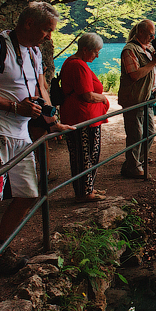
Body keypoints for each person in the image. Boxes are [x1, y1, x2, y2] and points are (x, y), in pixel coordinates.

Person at [0, 2, 73, 274]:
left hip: (21, 133)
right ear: (28, 24)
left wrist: (51, 122)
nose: (50, 37)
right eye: (47, 30)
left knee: (28, 194)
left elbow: (40, 87)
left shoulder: (34, 52)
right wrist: (13, 107)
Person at [59, 33, 110, 202]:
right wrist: (103, 98)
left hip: (85, 118)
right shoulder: (78, 65)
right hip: (81, 119)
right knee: (84, 155)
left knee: (90, 155)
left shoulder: (75, 63)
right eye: (96, 51)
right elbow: (87, 95)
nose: (97, 55)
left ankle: (89, 188)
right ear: (85, 49)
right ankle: (84, 192)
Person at [118, 19, 156, 178]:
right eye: (151, 35)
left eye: (154, 34)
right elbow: (135, 75)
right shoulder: (129, 50)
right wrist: (154, 62)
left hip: (148, 98)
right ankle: (132, 167)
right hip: (135, 99)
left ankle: (137, 161)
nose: (153, 38)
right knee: (136, 134)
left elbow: (153, 73)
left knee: (150, 132)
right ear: (140, 33)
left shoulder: (148, 47)